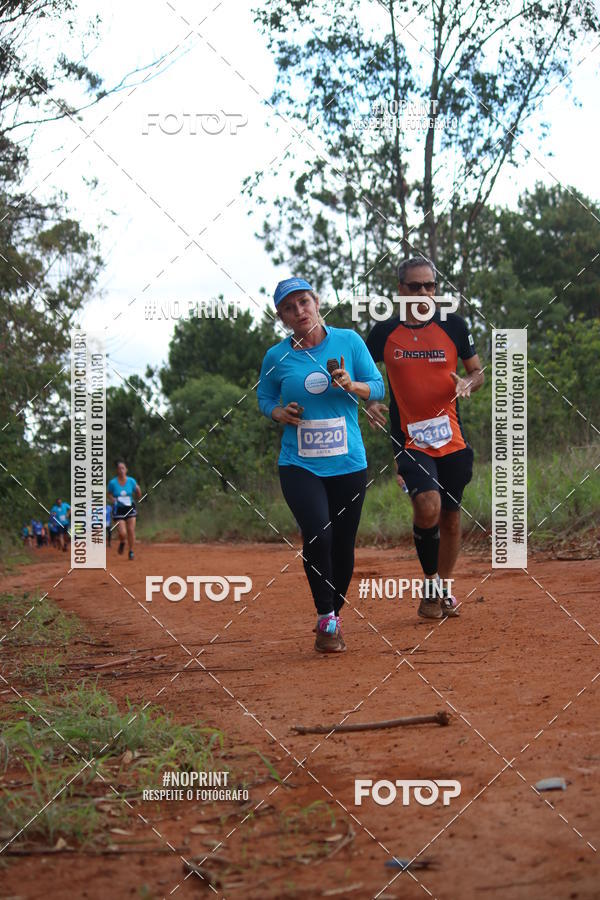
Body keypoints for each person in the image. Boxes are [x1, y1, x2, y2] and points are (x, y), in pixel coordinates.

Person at [257, 277, 385, 653]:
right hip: (299, 464)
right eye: (289, 307)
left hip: (348, 462)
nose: (299, 311)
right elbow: (265, 397)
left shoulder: (349, 341)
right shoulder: (275, 357)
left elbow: (377, 386)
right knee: (319, 534)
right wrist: (279, 412)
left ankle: (334, 618)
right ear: (281, 316)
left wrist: (352, 385)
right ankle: (325, 615)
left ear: (317, 302)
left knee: (344, 544)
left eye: (304, 302)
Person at [366, 256, 484, 620]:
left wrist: (468, 383)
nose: (424, 292)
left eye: (430, 286)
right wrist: (370, 401)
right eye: (415, 286)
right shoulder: (383, 333)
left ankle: (442, 590)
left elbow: (477, 371)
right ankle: (429, 583)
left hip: (452, 439)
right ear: (400, 290)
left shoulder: (453, 325)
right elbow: (365, 374)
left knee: (449, 517)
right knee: (427, 505)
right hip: (409, 438)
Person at [107, 460, 141, 560]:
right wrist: (112, 499)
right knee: (122, 533)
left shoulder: (131, 481)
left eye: (123, 468)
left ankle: (131, 551)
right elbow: (109, 493)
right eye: (119, 468)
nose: (121, 470)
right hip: (119, 509)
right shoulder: (112, 483)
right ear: (117, 470)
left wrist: (139, 493)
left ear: (126, 470)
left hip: (130, 507)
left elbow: (138, 492)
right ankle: (122, 542)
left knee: (131, 530)